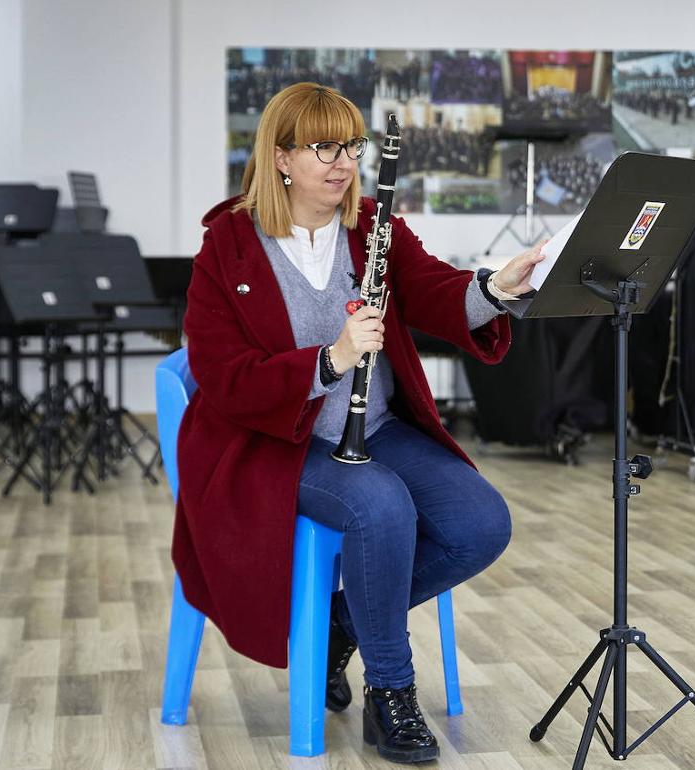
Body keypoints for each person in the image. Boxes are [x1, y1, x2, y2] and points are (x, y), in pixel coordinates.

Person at [172, 82, 544, 764]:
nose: (343, 162)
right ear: (281, 157)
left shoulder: (372, 225)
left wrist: (493, 288)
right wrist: (330, 358)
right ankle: (392, 693)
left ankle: (342, 621)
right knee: (380, 507)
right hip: (273, 443)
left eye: (351, 146)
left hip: (372, 429)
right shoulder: (226, 247)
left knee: (482, 524)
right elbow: (224, 377)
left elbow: (431, 289)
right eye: (323, 147)